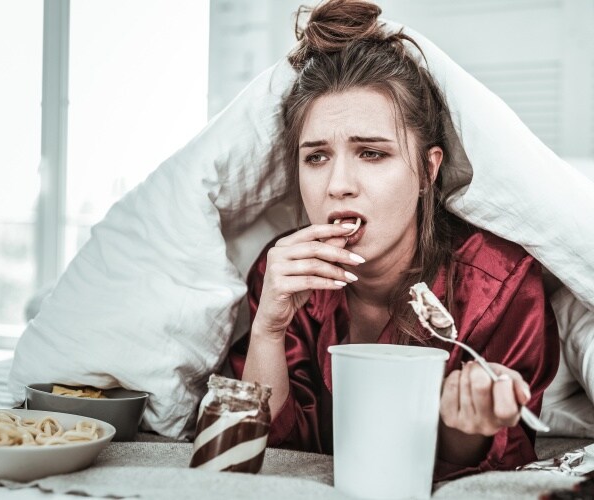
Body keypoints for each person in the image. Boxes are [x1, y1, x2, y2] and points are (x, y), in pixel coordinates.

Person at [229, 0, 559, 481]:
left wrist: (467, 427)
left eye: (371, 153)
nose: (339, 184)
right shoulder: (283, 271)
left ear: (429, 169)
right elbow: (256, 450)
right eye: (316, 157)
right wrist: (268, 330)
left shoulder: (501, 286)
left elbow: (495, 465)